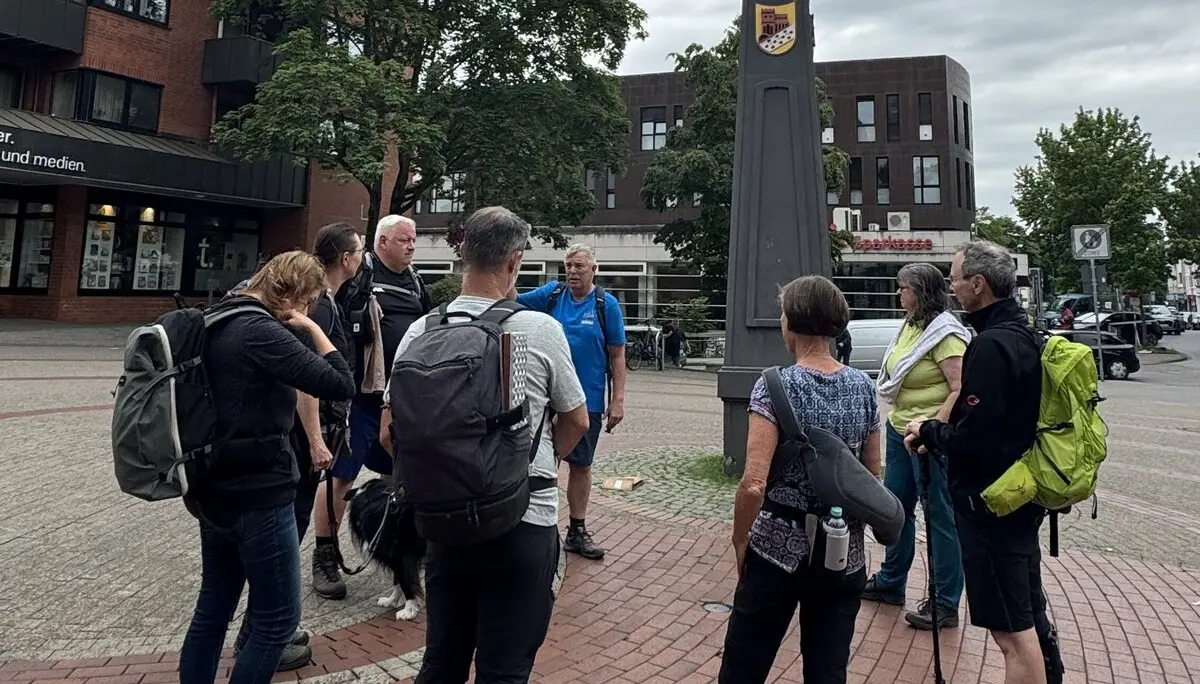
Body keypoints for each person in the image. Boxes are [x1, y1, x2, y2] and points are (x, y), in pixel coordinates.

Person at [382, 206, 590, 682]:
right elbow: (577, 419)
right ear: (515, 261)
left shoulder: (421, 330)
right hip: (522, 517)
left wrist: (442, 473)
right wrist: (538, 460)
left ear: (463, 256)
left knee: (442, 660)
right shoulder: (540, 330)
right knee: (505, 669)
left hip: (444, 522)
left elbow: (387, 433)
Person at [179, 251, 356, 684]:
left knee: (213, 607)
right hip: (258, 492)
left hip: (211, 486)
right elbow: (340, 382)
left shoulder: (216, 318)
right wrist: (312, 328)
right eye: (311, 300)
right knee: (276, 620)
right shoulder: (260, 331)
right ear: (293, 293)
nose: (312, 308)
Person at [719, 275, 881, 684]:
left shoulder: (774, 385)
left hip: (777, 547)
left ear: (790, 322)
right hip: (843, 550)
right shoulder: (863, 387)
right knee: (828, 668)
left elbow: (754, 482)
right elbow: (872, 473)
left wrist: (741, 541)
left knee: (745, 665)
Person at [905, 241, 1051, 684]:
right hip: (1019, 495)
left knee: (1011, 632)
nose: (950, 287)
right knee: (1028, 616)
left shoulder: (990, 346)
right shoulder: (1026, 335)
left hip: (990, 503)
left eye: (953, 278)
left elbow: (977, 436)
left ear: (978, 283)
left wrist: (929, 431)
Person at [225, 224, 364, 672]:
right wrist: (317, 441)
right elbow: (306, 381)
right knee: (285, 538)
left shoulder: (323, 302)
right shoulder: (314, 309)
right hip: (299, 445)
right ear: (345, 257)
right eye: (360, 249)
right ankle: (267, 632)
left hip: (297, 443)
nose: (362, 257)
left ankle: (269, 629)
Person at [312, 215, 432, 600]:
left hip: (401, 401)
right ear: (382, 243)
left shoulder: (415, 282)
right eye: (404, 240)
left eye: (414, 240)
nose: (412, 246)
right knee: (340, 477)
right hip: (361, 401)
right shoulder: (359, 277)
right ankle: (325, 557)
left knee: (407, 478)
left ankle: (405, 556)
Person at [861, 262, 969, 631]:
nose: (897, 293)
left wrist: (932, 428)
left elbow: (959, 387)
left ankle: (945, 602)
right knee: (895, 508)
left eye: (903, 287)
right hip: (899, 428)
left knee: (940, 515)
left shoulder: (946, 335)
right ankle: (891, 581)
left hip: (929, 438)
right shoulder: (910, 326)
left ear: (921, 292)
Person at [517, 244, 627, 560]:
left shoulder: (607, 305)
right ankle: (534, 526)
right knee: (536, 460)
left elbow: (617, 355)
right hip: (545, 398)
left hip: (586, 399)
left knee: (580, 465)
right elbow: (511, 301)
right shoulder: (552, 295)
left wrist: (617, 399)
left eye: (579, 265)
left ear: (594, 269)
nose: (572, 271)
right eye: (568, 265)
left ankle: (576, 530)